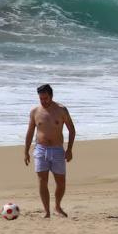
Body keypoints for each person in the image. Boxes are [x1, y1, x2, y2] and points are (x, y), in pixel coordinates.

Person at [24, 83, 75, 218]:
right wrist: (26, 152)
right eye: (41, 98)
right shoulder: (35, 112)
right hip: (40, 149)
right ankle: (46, 211)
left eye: (45, 98)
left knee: (61, 182)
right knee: (42, 181)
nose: (43, 101)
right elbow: (30, 132)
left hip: (57, 150)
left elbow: (72, 130)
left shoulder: (61, 110)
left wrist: (69, 149)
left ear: (51, 96)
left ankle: (57, 206)